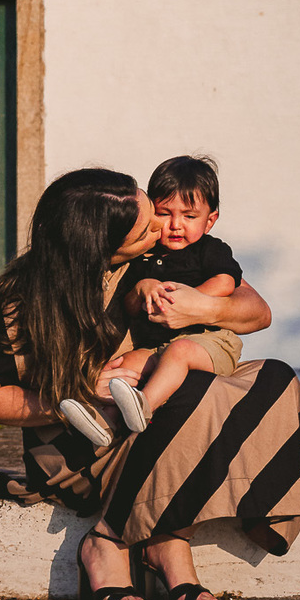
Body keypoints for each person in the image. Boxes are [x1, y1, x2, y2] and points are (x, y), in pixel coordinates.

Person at [0, 167, 300, 600]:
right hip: (83, 445)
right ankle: (113, 540)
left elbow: (257, 311)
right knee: (194, 390)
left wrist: (202, 308)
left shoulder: (156, 258)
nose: (160, 229)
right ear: (101, 245)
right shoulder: (22, 296)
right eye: (147, 227)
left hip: (153, 419)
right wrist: (79, 392)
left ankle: (166, 535)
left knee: (273, 378)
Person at [107, 154, 245, 434]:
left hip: (209, 341)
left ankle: (143, 408)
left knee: (179, 352)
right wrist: (142, 288)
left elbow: (225, 282)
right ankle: (103, 420)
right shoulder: (143, 256)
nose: (176, 225)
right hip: (156, 346)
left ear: (210, 220)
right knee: (124, 364)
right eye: (164, 213)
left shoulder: (210, 249)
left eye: (189, 216)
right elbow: (129, 305)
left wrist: (189, 300)